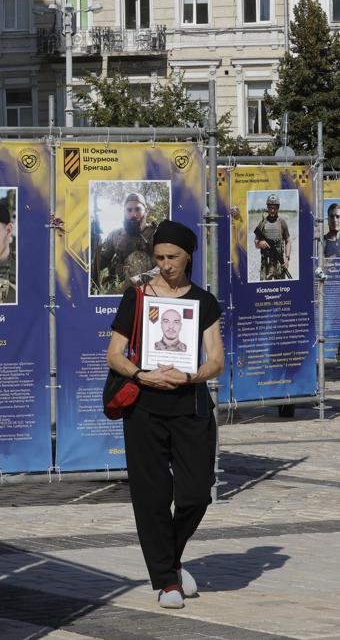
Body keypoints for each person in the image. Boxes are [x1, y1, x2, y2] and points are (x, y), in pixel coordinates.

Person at [106, 219, 224, 610]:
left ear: (188, 256)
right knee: (152, 496)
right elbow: (114, 355)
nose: (165, 264)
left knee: (195, 494)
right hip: (143, 409)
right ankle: (165, 582)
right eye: (159, 257)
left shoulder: (203, 302)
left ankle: (169, 562)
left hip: (190, 406)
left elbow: (217, 360)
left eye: (172, 257)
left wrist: (191, 375)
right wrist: (144, 375)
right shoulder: (137, 297)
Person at [93, 192, 158, 295]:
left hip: (149, 288)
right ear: (124, 212)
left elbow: (165, 267)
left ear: (146, 211)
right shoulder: (115, 235)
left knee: (137, 257)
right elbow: (101, 260)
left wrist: (139, 279)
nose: (133, 214)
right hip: (121, 287)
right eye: (129, 210)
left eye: (137, 209)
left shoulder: (156, 234)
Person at [253, 194, 291, 280]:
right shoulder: (262, 223)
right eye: (270, 207)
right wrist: (260, 243)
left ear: (278, 208)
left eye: (275, 208)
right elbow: (256, 243)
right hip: (265, 265)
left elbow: (288, 240)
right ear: (267, 207)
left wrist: (287, 258)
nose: (272, 210)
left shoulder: (282, 222)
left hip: (279, 264)